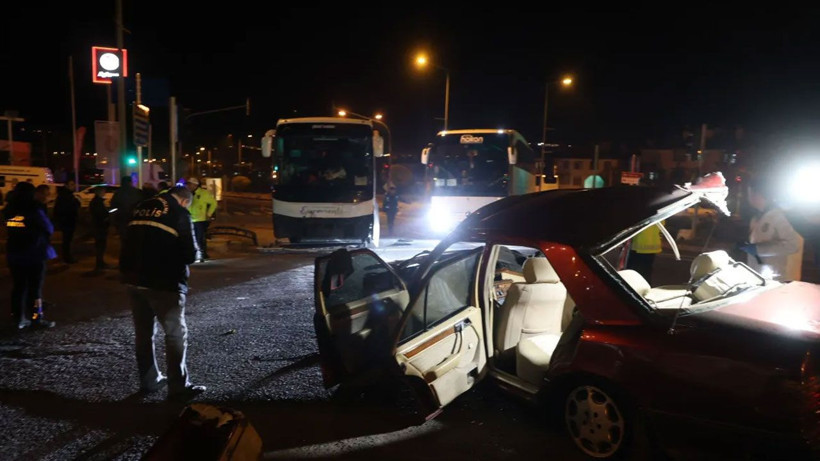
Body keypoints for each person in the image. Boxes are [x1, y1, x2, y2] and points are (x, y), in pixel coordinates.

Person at [119, 185, 206, 399]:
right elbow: (190, 254)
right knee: (175, 334)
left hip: (132, 278)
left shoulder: (141, 206)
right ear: (185, 200)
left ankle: (149, 380)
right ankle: (178, 386)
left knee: (144, 333)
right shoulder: (179, 212)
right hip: (163, 281)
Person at [4, 182, 57, 329]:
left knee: (18, 287)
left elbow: (10, 226)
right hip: (34, 253)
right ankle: (36, 318)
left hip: (15, 252)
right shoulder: (33, 208)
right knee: (35, 289)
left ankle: (18, 318)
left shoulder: (9, 209)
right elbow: (48, 227)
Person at [737, 176, 803, 281]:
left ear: (758, 194)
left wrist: (758, 249)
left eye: (749, 193)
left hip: (775, 278)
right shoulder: (756, 218)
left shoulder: (780, 216)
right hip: (756, 275)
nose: (748, 198)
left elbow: (793, 245)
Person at [186, 177, 217, 262]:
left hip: (200, 220)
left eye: (190, 184)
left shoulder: (203, 193)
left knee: (199, 238)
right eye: (187, 184)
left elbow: (213, 203)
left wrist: (209, 214)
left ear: (195, 185)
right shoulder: (187, 193)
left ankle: (202, 254)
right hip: (189, 219)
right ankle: (195, 254)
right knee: (191, 238)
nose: (188, 186)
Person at [53, 179, 80, 264]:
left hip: (68, 220)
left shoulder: (68, 195)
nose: (74, 186)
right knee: (67, 240)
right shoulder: (65, 196)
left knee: (68, 240)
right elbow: (63, 208)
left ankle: (67, 256)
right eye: (72, 184)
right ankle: (67, 257)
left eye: (74, 184)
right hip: (67, 221)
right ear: (67, 186)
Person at [90, 186, 111, 271]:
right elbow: (100, 214)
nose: (104, 193)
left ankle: (100, 262)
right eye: (103, 191)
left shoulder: (96, 202)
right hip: (100, 226)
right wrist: (106, 217)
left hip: (99, 226)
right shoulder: (97, 202)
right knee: (100, 245)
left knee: (101, 245)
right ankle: (99, 264)